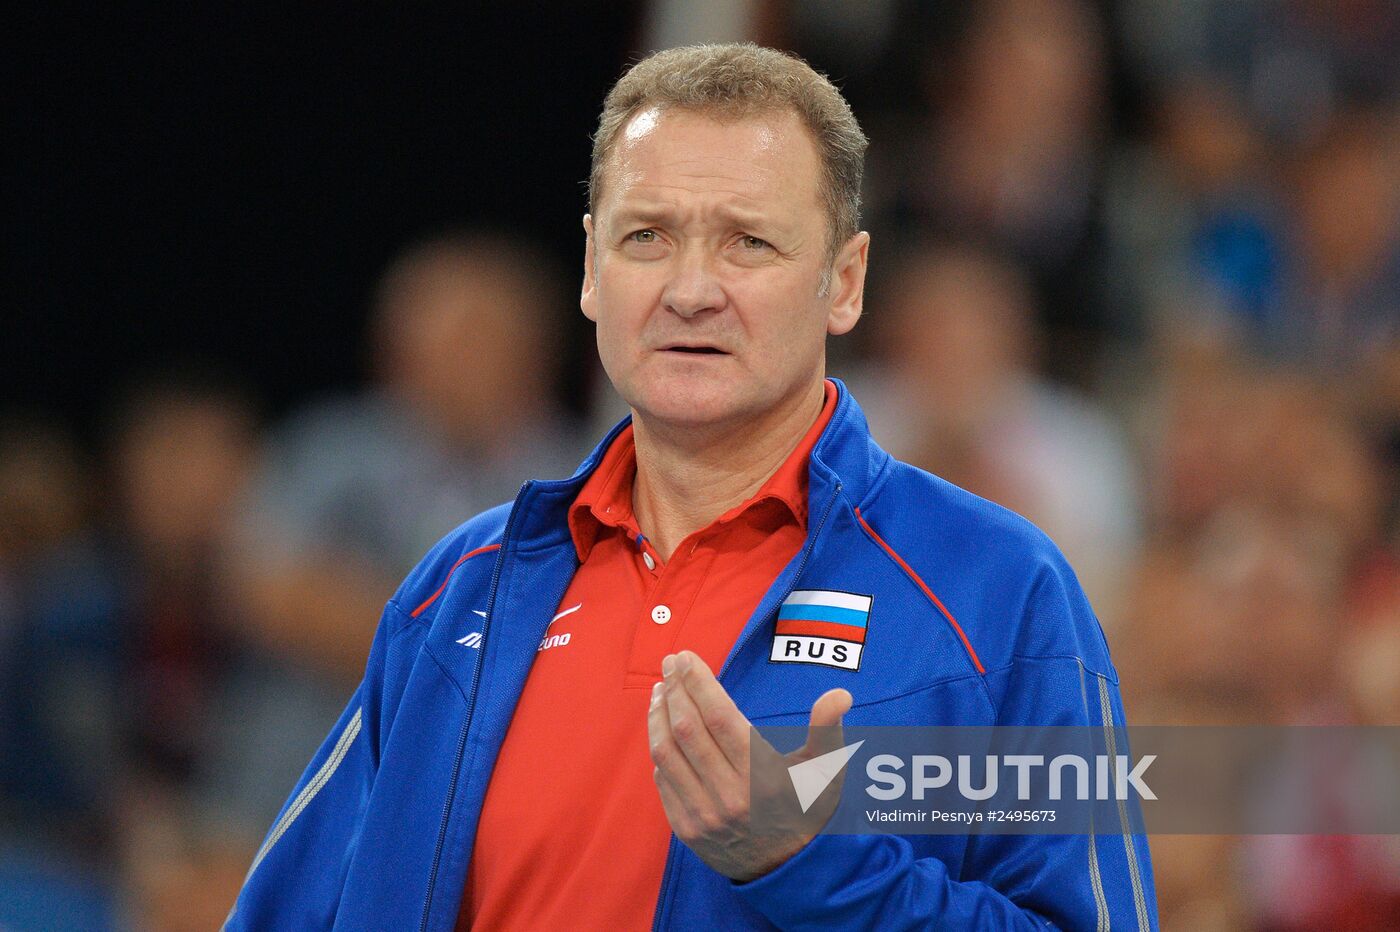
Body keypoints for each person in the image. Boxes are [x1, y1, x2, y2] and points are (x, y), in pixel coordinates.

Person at [226, 43, 1156, 930]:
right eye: (647, 236)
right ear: (593, 268)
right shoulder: (462, 590)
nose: (690, 289)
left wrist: (814, 866)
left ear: (844, 280)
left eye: (748, 242)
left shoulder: (997, 592)